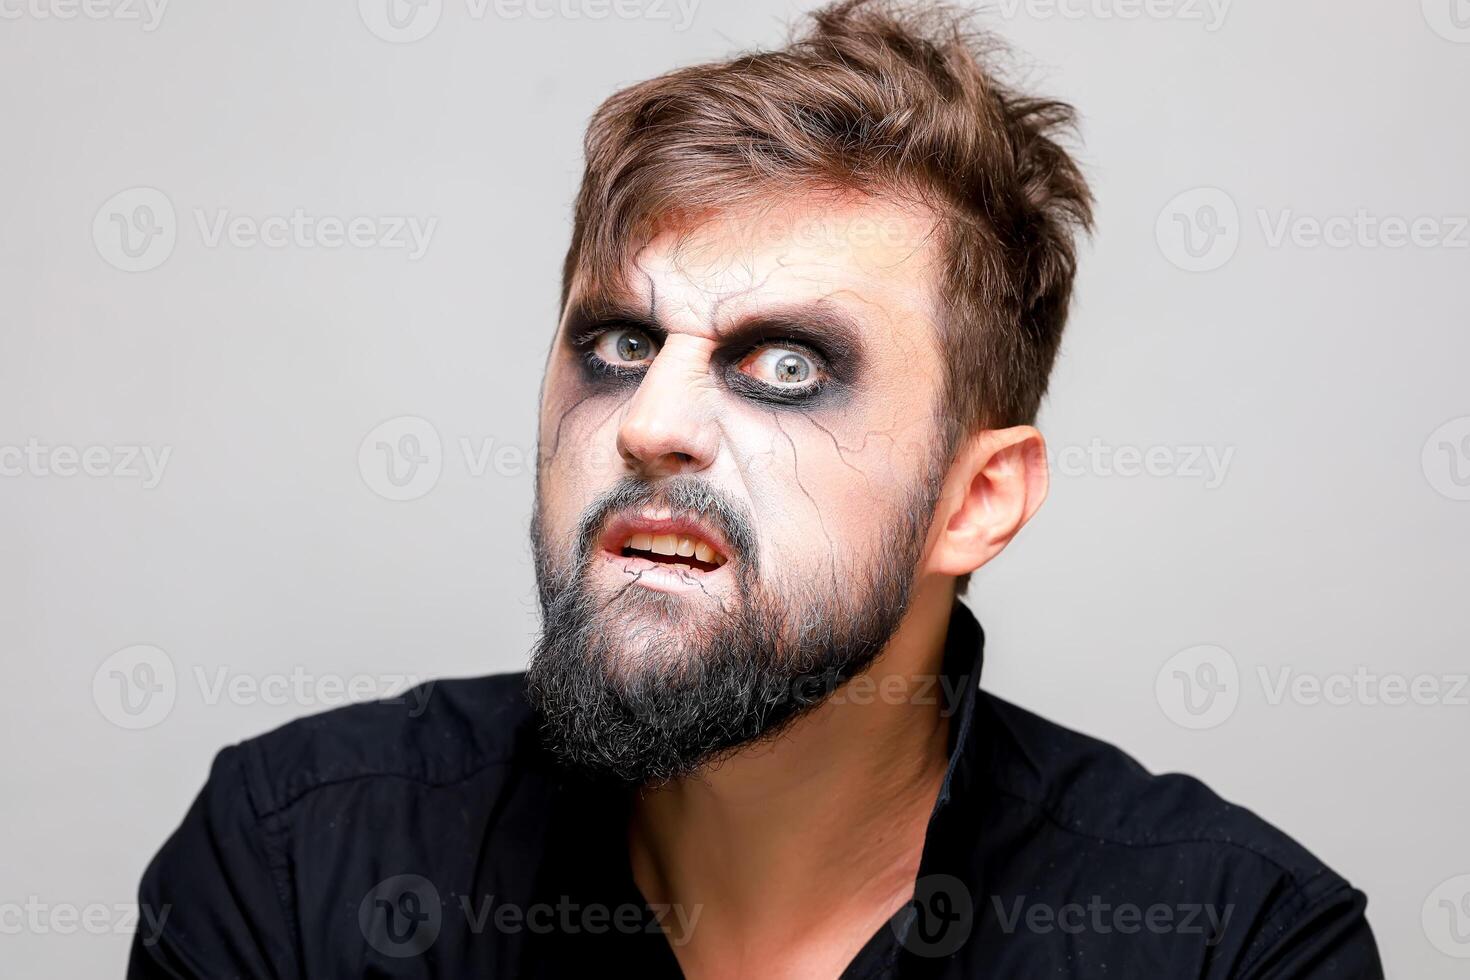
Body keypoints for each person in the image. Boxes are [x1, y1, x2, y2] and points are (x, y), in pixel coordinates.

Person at [129, 1, 1382, 976]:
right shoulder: (296, 859)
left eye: (786, 365)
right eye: (620, 344)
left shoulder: (1232, 945)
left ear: (976, 499)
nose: (652, 424)